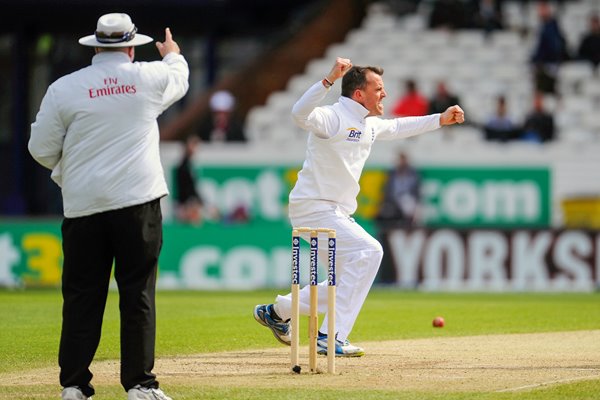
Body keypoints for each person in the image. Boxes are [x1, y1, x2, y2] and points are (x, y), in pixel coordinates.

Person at [253, 57, 464, 356]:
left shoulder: (370, 125)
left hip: (336, 211)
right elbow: (299, 114)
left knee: (341, 283)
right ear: (358, 94)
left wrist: (439, 119)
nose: (385, 94)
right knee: (370, 251)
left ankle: (277, 312)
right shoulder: (333, 117)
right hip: (314, 207)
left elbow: (399, 126)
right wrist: (328, 80)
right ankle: (330, 336)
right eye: (378, 88)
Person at [28, 13, 189, 400]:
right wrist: (172, 54)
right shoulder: (149, 77)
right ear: (132, 47)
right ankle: (139, 385)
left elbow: (40, 149)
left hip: (83, 205)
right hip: (137, 202)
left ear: (95, 45)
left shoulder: (65, 88)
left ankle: (73, 386)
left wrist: (76, 168)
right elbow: (179, 81)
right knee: (138, 294)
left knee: (83, 295)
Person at [530, 1, 569, 93]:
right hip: (545, 64)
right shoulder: (543, 26)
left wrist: (540, 60)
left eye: (543, 9)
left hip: (549, 65)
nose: (541, 12)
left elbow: (553, 47)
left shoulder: (551, 27)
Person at [376, 151, 421, 227]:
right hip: (393, 200)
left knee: (408, 204)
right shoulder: (392, 173)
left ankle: (408, 226)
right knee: (383, 212)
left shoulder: (413, 173)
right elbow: (387, 189)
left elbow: (416, 190)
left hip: (407, 199)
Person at [175, 135, 204, 224]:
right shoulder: (184, 166)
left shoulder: (190, 164)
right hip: (186, 202)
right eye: (193, 145)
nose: (195, 148)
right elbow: (186, 186)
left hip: (188, 200)